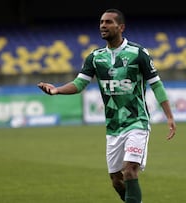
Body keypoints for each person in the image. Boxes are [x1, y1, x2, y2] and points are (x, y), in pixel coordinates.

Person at [38, 8, 176, 203]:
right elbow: (79, 84)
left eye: (108, 22)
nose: (103, 25)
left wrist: (169, 116)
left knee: (129, 171)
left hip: (136, 122)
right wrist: (57, 90)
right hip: (113, 127)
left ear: (121, 27)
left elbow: (157, 85)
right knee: (116, 180)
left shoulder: (138, 53)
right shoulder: (95, 57)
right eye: (102, 22)